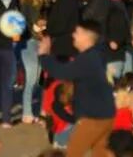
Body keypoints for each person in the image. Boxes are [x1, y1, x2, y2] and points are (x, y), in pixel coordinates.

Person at [38, 20, 116, 157]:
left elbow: (61, 72)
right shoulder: (98, 53)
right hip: (105, 114)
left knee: (73, 153)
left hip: (93, 117)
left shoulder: (89, 58)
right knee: (101, 152)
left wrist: (44, 55)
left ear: (87, 36)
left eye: (77, 33)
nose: (73, 35)